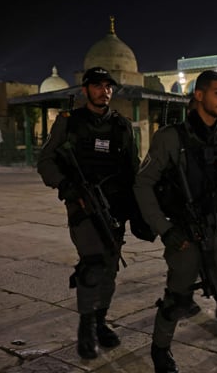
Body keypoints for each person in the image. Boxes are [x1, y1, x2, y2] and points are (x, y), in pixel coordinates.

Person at [133, 70, 217, 373]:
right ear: (198, 95)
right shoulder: (171, 138)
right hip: (185, 234)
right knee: (177, 300)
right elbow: (142, 184)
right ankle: (160, 348)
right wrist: (166, 230)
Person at [37, 67, 151, 360]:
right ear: (85, 89)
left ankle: (100, 321)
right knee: (93, 263)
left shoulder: (121, 126)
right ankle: (86, 329)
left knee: (110, 268)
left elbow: (132, 167)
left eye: (108, 86)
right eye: (98, 86)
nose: (104, 91)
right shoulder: (69, 122)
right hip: (84, 205)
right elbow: (46, 161)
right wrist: (66, 187)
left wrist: (138, 209)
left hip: (114, 207)